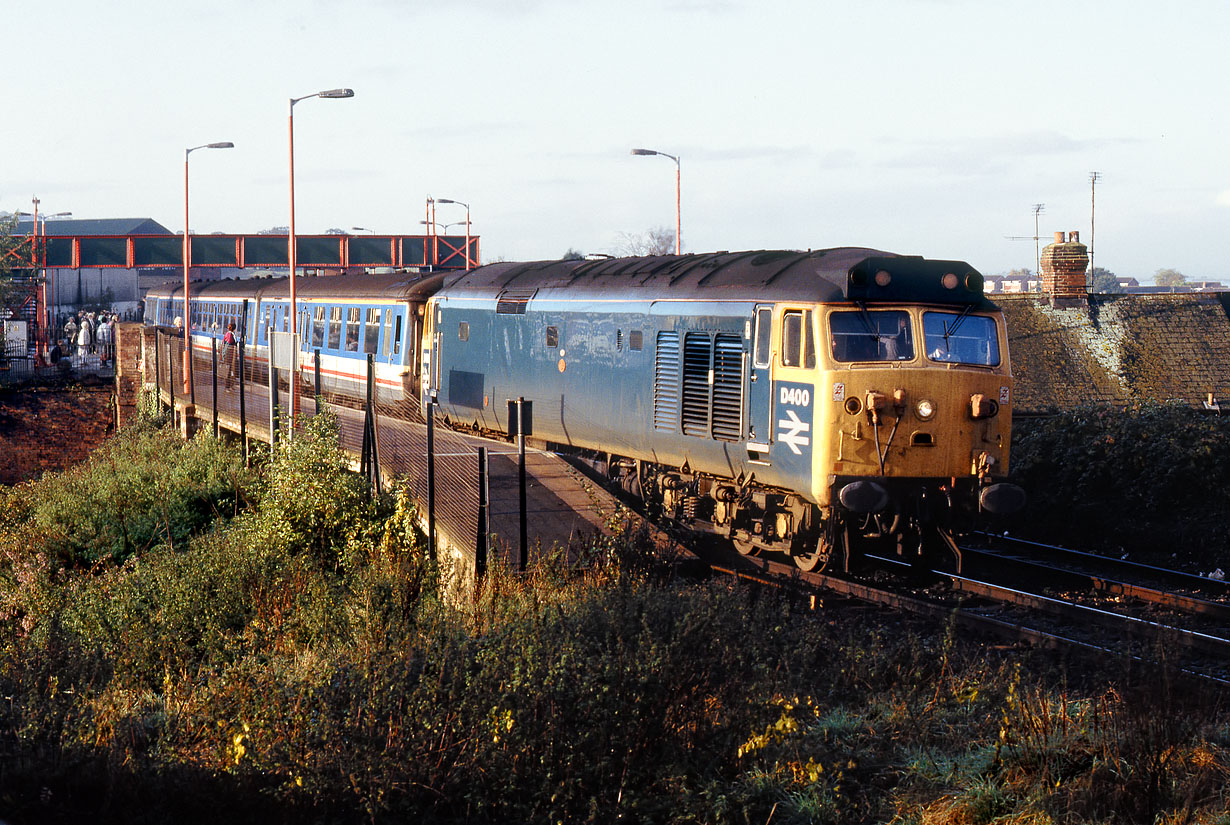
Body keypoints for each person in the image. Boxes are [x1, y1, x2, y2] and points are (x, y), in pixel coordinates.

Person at [221, 321, 238, 388]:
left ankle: (230, 386)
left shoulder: (230, 334)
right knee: (228, 371)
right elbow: (230, 343)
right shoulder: (229, 335)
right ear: (234, 329)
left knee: (231, 370)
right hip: (229, 355)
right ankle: (227, 386)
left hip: (230, 355)